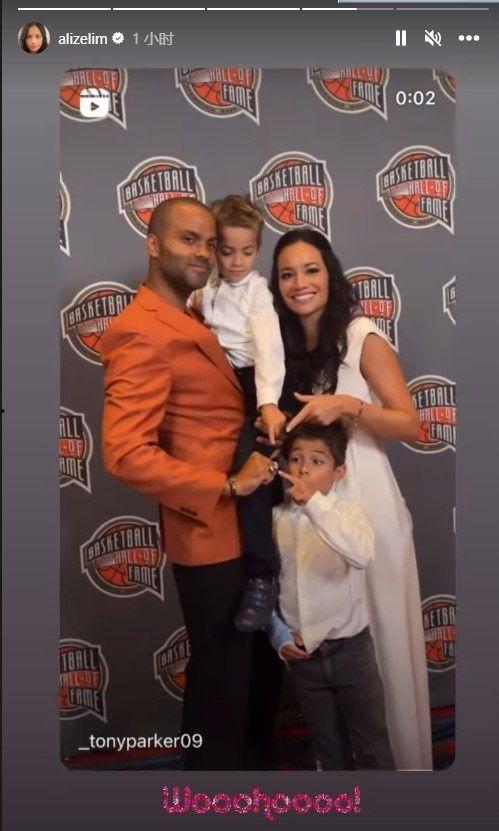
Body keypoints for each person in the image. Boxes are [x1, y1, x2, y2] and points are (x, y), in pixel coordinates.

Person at [100, 197, 278, 770]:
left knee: (249, 680)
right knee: (222, 689)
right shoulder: (140, 329)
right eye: (187, 239)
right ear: (153, 245)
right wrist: (227, 486)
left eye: (209, 241)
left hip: (248, 530)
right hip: (209, 532)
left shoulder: (200, 312)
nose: (202, 252)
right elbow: (126, 454)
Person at [266, 227, 433, 771]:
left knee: (382, 638)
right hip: (310, 507)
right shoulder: (281, 349)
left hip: (367, 497)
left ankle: (402, 771)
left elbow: (411, 425)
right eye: (287, 274)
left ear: (330, 274)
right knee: (326, 625)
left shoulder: (362, 336)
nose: (300, 283)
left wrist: (347, 406)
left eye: (311, 269)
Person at [267, 421, 395, 770]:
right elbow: (266, 583)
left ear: (339, 473)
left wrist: (314, 504)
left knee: (373, 747)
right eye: (296, 459)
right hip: (305, 658)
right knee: (328, 752)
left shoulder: (348, 512)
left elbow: (361, 554)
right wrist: (277, 633)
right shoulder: (276, 518)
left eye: (317, 461)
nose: (304, 469)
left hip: (351, 652)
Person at [189, 194, 286, 632]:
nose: (236, 262)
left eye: (247, 252)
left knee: (254, 477)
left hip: (254, 387)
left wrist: (267, 404)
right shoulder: (206, 287)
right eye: (227, 251)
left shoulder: (258, 292)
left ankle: (263, 577)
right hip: (218, 382)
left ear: (259, 250)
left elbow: (268, 351)